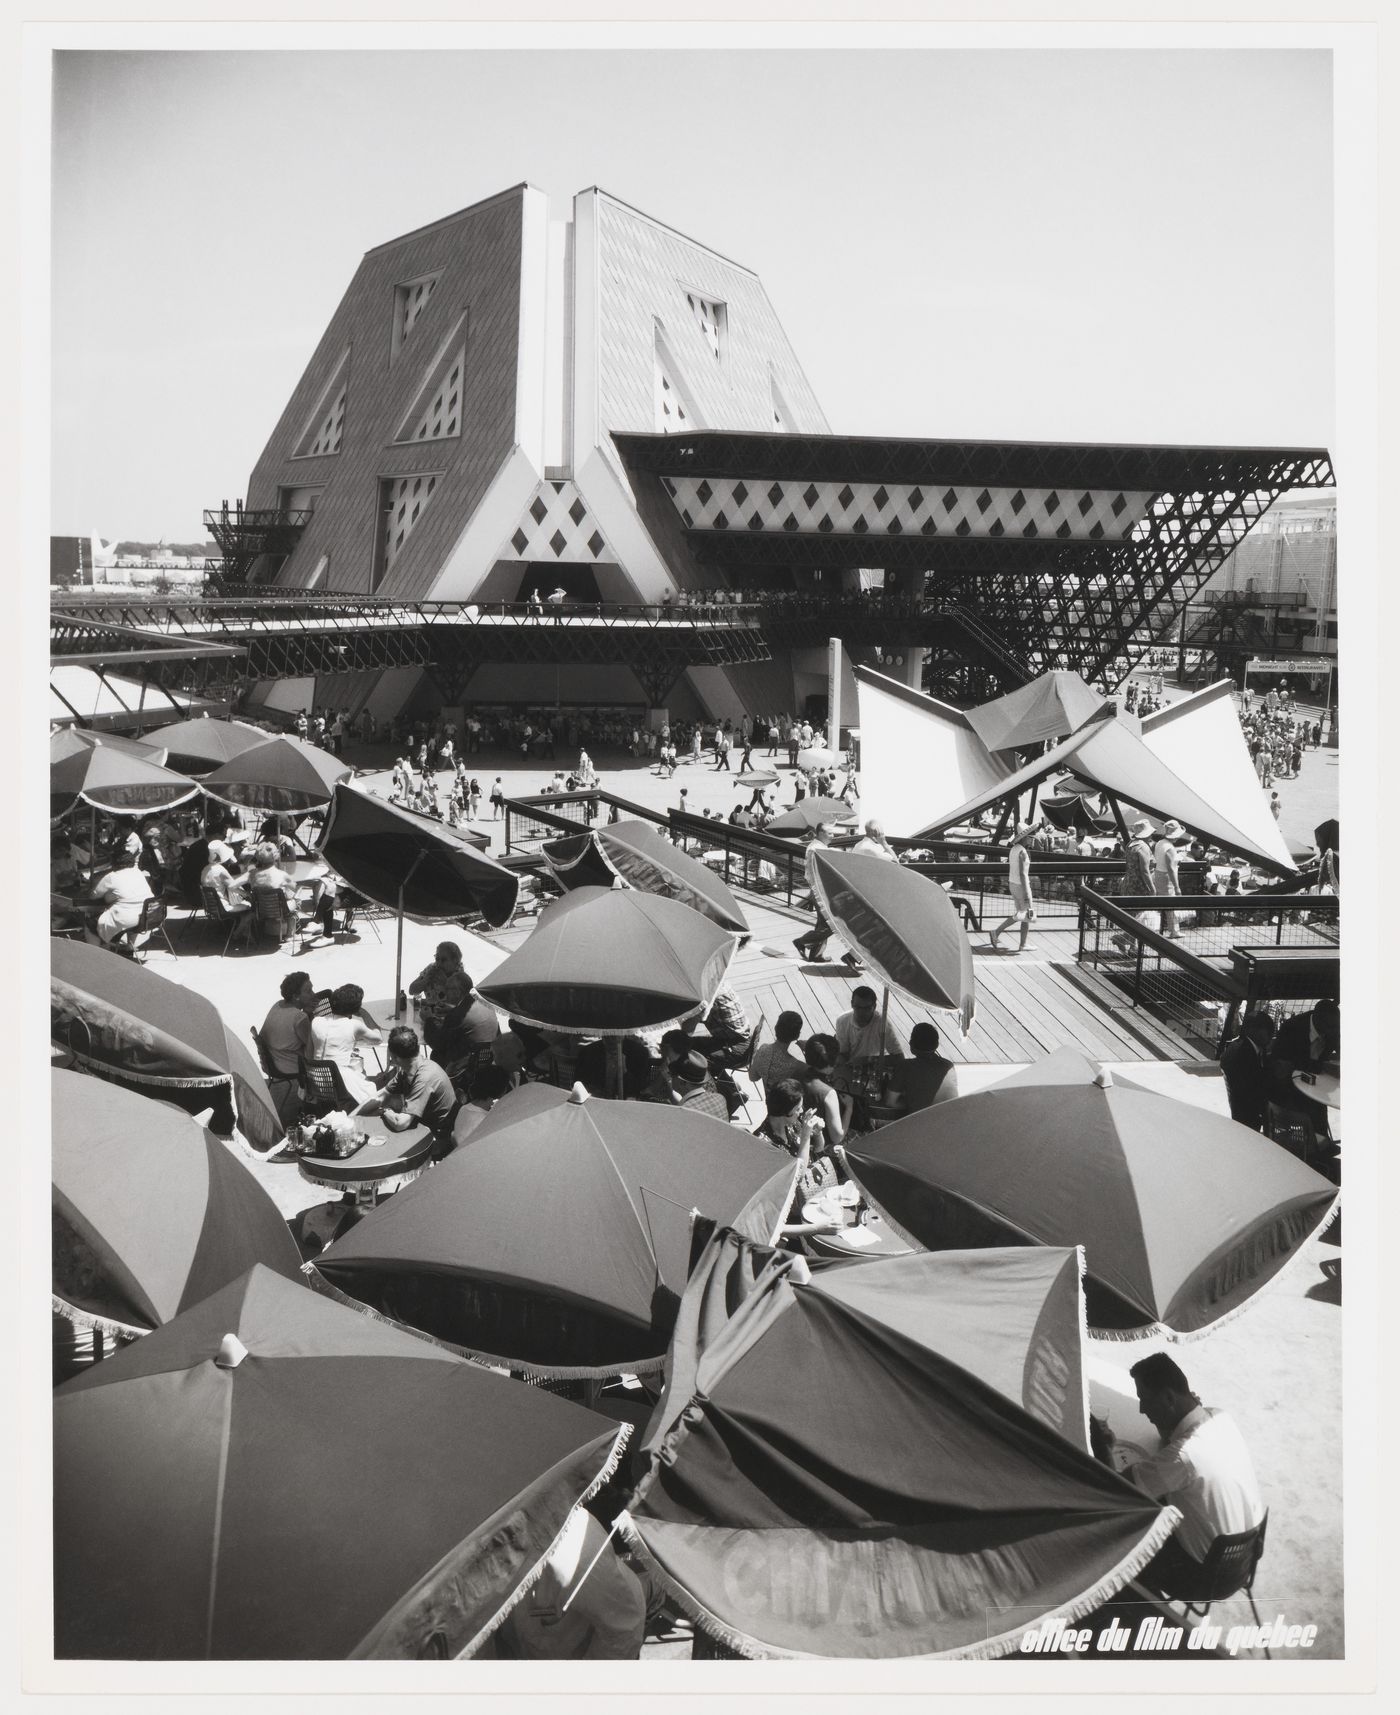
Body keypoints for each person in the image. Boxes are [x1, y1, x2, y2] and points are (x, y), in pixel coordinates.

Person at [1103, 1354, 1264, 1599]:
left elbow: (1118, 1487)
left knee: (1124, 1523)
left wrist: (1104, 1444)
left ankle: (1139, 1604)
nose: (1141, 1409)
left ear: (1169, 1397)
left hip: (1206, 1578)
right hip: (1246, 1557)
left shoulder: (1182, 1457)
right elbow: (1167, 1440)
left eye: (1145, 1400)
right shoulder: (1220, 1416)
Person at [371, 1026, 460, 1158]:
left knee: (382, 1150)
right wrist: (351, 1117)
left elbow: (400, 1123)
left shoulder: (425, 1077)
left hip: (438, 1140)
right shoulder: (409, 1069)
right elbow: (380, 1096)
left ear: (394, 1058)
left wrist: (385, 1111)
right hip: (423, 1127)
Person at [309, 983, 383, 1106]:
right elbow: (378, 1038)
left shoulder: (316, 1021)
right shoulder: (354, 1025)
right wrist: (364, 1013)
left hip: (314, 1078)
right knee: (373, 1092)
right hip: (338, 1081)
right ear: (355, 1008)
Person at [407, 941, 476, 1049]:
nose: (438, 963)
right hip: (428, 1018)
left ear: (455, 961)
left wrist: (446, 982)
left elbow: (462, 1007)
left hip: (450, 1026)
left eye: (443, 960)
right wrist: (425, 980)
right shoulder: (431, 969)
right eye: (437, 958)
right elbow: (412, 990)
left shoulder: (460, 977)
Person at [989, 820, 1043, 953]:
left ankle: (1022, 944)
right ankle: (996, 932)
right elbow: (1023, 874)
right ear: (1025, 837)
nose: (1032, 839)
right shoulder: (1023, 852)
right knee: (1024, 914)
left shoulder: (1013, 849)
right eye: (1030, 837)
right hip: (1021, 886)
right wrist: (1026, 893)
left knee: (1024, 915)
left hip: (1013, 884)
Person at [88, 843, 154, 947]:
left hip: (127, 919)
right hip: (147, 917)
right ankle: (129, 947)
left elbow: (93, 895)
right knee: (129, 911)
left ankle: (96, 952)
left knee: (90, 923)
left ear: (113, 863)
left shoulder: (112, 876)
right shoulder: (138, 873)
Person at [1220, 1012, 1276, 1132]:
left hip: (1242, 1109)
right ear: (1254, 1031)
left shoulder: (1245, 1047)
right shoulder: (1242, 1056)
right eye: (1269, 1032)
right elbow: (1252, 1090)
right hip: (1248, 1115)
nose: (1271, 1036)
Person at [260, 970, 315, 1084]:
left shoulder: (278, 1004)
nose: (313, 994)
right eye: (308, 991)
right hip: (288, 1065)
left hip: (271, 1061)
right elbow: (311, 1050)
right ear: (296, 996)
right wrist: (311, 1016)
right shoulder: (300, 1017)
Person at [834, 986, 905, 1066]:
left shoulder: (882, 1023)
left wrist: (866, 1060)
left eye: (866, 1008)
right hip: (851, 1067)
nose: (861, 1012)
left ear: (874, 1006)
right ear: (852, 1004)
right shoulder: (842, 1021)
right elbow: (843, 1053)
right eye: (858, 1007)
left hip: (875, 1067)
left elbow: (899, 1057)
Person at [899, 1021, 960, 1107]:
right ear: (937, 1045)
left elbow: (891, 1101)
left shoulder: (906, 1066)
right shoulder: (949, 1066)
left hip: (920, 1119)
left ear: (911, 1043)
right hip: (948, 1117)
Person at [798, 1035, 846, 1144]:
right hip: (819, 1143)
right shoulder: (828, 1093)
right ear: (831, 1064)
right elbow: (837, 1137)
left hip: (799, 1133)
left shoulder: (797, 1071)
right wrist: (849, 1108)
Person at [749, 1010, 808, 1094]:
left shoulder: (763, 1049)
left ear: (776, 1028)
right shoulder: (797, 1066)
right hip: (788, 1103)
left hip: (770, 1100)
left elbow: (753, 1077)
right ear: (797, 1035)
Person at [668, 1049, 730, 1121]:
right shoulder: (720, 1098)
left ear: (682, 1082)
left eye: (671, 1075)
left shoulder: (683, 1112)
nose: (670, 1078)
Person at [1153, 819, 1187, 940]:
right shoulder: (1170, 848)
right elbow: (1171, 869)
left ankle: (1165, 928)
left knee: (1161, 905)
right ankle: (1174, 930)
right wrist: (1177, 887)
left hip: (1158, 874)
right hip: (1166, 877)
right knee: (1170, 904)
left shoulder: (1159, 843)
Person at [199, 840, 250, 915]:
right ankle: (241, 926)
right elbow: (233, 887)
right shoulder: (220, 870)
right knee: (250, 906)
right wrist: (247, 894)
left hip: (211, 906)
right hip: (223, 907)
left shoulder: (205, 869)